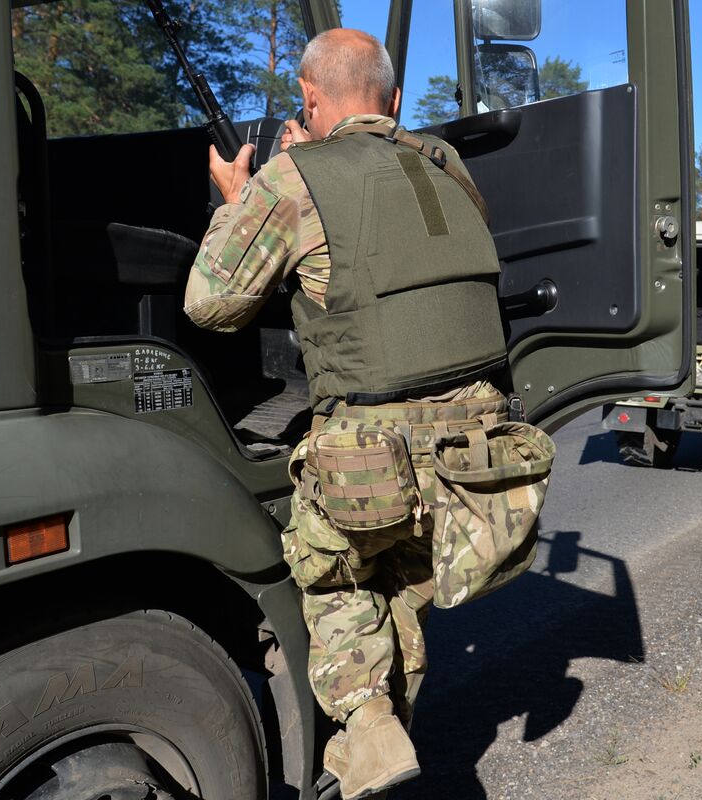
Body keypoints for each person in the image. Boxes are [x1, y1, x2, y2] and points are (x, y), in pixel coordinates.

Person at [184, 28, 509, 800]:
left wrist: (243, 200)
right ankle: (392, 724)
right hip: (478, 452)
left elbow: (210, 305)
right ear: (395, 101)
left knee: (333, 575)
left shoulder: (291, 180)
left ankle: (367, 725)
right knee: (399, 592)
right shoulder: (448, 165)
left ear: (309, 100)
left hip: (370, 450)